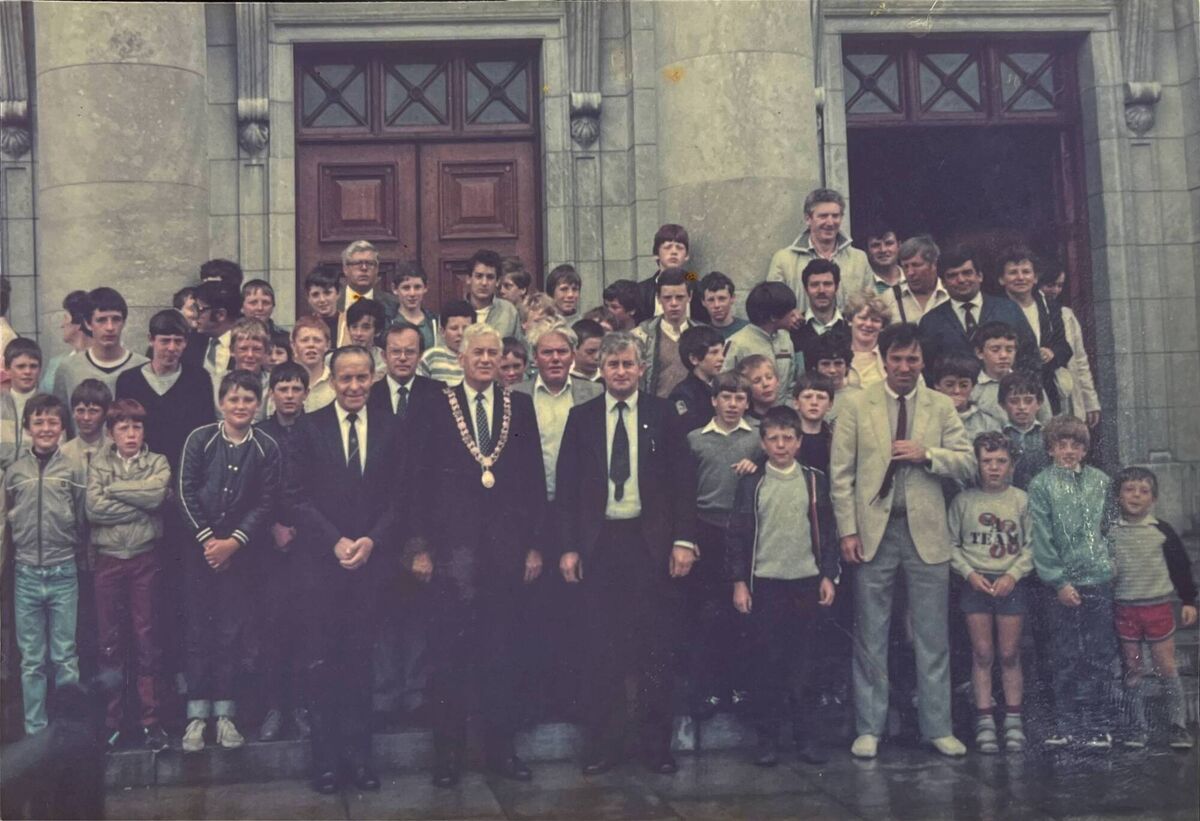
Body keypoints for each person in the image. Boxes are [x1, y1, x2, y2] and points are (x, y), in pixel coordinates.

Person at [405, 324, 547, 787]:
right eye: (478, 352)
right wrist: (421, 548)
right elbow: (417, 480)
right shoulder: (433, 404)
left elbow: (530, 481)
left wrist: (532, 546)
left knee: (501, 654)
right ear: (461, 357)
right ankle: (446, 757)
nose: (487, 360)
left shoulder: (518, 405)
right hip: (451, 554)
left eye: (494, 353)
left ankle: (500, 752)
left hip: (504, 554)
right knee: (448, 657)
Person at [830, 322, 975, 760]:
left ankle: (938, 727)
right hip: (874, 532)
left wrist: (927, 454)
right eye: (897, 359)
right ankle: (869, 728)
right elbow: (841, 476)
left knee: (932, 635)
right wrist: (848, 531)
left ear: (922, 361)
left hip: (926, 533)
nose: (905, 367)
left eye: (913, 359)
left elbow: (968, 462)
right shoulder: (857, 404)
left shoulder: (940, 406)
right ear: (884, 359)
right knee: (870, 632)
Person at [555, 331, 698, 776]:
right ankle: (606, 745)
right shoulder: (581, 418)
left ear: (641, 370)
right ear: (601, 370)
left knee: (655, 646)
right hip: (600, 546)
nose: (620, 372)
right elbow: (568, 489)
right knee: (601, 649)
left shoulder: (662, 414)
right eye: (612, 364)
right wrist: (569, 547)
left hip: (649, 544)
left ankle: (656, 745)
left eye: (628, 364)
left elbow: (682, 483)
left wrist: (683, 540)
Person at [290, 346, 398, 793]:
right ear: (331, 382)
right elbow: (295, 496)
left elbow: (400, 495)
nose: (354, 387)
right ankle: (326, 762)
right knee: (323, 663)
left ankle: (359, 758)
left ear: (373, 379)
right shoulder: (309, 428)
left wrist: (372, 539)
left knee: (360, 662)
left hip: (370, 564)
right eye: (345, 379)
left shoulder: (393, 428)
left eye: (361, 378)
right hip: (323, 565)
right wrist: (334, 540)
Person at [177, 370, 281, 753]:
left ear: (259, 403)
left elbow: (266, 501)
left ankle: (225, 715)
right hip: (199, 552)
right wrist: (209, 541)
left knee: (229, 632)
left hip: (240, 555)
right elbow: (185, 491)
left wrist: (233, 543)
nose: (241, 406)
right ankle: (195, 716)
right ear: (222, 402)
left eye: (248, 400)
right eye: (234, 399)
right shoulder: (200, 439)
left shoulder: (266, 446)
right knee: (198, 631)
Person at [728, 405, 838, 766]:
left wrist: (827, 574)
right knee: (768, 664)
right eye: (773, 438)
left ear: (799, 441)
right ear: (762, 442)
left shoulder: (813, 480)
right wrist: (740, 582)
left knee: (804, 664)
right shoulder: (752, 482)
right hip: (766, 584)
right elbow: (739, 536)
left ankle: (806, 739)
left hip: (805, 582)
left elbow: (829, 531)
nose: (780, 445)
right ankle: (768, 740)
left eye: (787, 438)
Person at [116, 309, 216, 703]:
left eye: (178, 341)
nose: (171, 348)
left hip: (185, 503)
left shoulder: (197, 379)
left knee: (182, 592)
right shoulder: (129, 380)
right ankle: (144, 688)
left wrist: (186, 491)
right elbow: (123, 434)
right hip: (141, 503)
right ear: (151, 341)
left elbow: (205, 438)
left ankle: (180, 678)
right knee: (143, 597)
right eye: (164, 340)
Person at [1027, 415, 1119, 749]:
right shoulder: (1041, 485)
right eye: (1061, 444)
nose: (1068, 451)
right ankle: (1065, 724)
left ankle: (1096, 724)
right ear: (1050, 449)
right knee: (1064, 655)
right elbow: (1042, 537)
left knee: (1098, 654)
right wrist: (1058, 581)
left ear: (1084, 449)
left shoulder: (1101, 481)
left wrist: (1109, 560)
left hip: (1097, 578)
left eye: (1076, 445)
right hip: (1061, 584)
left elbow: (1110, 525)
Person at [85, 398, 171, 751]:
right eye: (123, 427)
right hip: (108, 560)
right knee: (110, 641)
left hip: (144, 559)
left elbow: (156, 498)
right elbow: (93, 507)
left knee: (146, 638)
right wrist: (139, 501)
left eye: (136, 427)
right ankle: (112, 722)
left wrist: (116, 491)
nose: (131, 434)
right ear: (111, 433)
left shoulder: (158, 462)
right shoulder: (98, 463)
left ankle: (151, 722)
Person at [5, 394, 86, 737]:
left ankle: (68, 731)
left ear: (63, 428)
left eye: (53, 422)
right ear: (27, 427)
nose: (46, 428)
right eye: (38, 422)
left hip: (63, 570)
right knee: (32, 661)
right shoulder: (14, 471)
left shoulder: (71, 469)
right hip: (25, 573)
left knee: (65, 657)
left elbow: (82, 516)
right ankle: (36, 731)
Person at [948, 432, 1033, 754]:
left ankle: (1013, 719)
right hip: (976, 583)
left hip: (1010, 582)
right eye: (987, 461)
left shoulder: (1021, 500)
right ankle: (984, 719)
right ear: (977, 464)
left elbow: (1031, 544)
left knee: (1009, 653)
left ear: (1011, 465)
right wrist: (969, 573)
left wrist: (1014, 573)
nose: (994, 468)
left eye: (1001, 462)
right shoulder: (964, 501)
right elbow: (951, 544)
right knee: (982, 653)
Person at [684, 372, 760, 719]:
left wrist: (757, 465)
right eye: (726, 397)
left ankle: (741, 688)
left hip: (745, 531)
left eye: (740, 399)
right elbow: (683, 492)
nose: (733, 405)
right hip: (707, 530)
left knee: (743, 613)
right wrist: (688, 536)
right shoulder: (695, 439)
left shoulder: (758, 439)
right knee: (707, 614)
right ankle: (708, 690)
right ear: (714, 400)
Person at [1109, 466, 1196, 750]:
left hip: (1157, 607)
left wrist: (1188, 600)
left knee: (1166, 666)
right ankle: (1137, 727)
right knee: (1132, 668)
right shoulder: (1110, 531)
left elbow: (1181, 567)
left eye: (1144, 491)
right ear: (1118, 496)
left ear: (1153, 499)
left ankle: (1178, 725)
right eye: (1129, 490)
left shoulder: (1162, 531)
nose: (1136, 495)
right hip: (1125, 608)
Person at [254, 362, 312, 744]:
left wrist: (302, 529)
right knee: (272, 626)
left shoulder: (317, 430)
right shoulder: (260, 433)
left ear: (306, 392)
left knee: (307, 628)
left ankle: (304, 706)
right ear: (271, 393)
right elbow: (255, 487)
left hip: (310, 542)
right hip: (268, 543)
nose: (289, 395)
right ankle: (276, 706)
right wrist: (273, 526)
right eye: (282, 388)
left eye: (295, 388)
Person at [513, 320, 604, 503]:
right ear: (535, 357)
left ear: (573, 355)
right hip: (530, 500)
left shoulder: (595, 393)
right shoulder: (515, 395)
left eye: (562, 352)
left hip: (578, 501)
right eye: (547, 352)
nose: (555, 358)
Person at [919, 246, 1039, 378]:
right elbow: (928, 371)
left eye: (967, 273)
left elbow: (1030, 357)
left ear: (980, 276)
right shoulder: (931, 321)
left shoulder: (1009, 310)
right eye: (952, 275)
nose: (961, 280)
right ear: (943, 283)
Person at [767, 188, 871, 313]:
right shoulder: (783, 259)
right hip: (799, 332)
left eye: (835, 216)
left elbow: (871, 304)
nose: (830, 222)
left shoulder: (859, 258)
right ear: (808, 219)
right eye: (823, 216)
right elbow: (773, 307)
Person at [997, 248, 1071, 414]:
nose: (1020, 277)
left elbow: (1064, 347)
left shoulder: (1050, 308)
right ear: (1002, 279)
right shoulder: (994, 309)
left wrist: (1052, 353)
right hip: (1010, 391)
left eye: (1026, 272)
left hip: (1045, 389)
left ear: (1035, 277)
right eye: (1013, 273)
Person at [53, 288, 149, 408]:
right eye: (101, 320)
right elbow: (61, 419)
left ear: (124, 322)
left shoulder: (144, 367)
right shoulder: (68, 368)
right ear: (88, 324)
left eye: (116, 319)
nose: (109, 327)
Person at [1037, 264, 1100, 428]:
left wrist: (1090, 401)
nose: (1055, 290)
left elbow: (1080, 360)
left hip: (1066, 392)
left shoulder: (1066, 315)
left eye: (1060, 285)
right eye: (1050, 285)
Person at [723, 281, 800, 399]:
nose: (796, 316)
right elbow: (723, 386)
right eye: (790, 313)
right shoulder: (737, 344)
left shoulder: (786, 338)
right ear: (773, 317)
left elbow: (791, 383)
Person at [633, 267, 701, 399]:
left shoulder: (703, 335)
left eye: (679, 297)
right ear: (658, 298)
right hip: (656, 410)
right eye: (667, 298)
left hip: (695, 410)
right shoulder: (640, 336)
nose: (674, 303)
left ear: (690, 296)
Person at [971, 321, 1051, 429]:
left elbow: (1047, 423)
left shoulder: (1030, 383)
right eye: (995, 350)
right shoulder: (974, 389)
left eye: (1009, 350)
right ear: (979, 353)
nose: (1003, 355)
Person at [636, 224, 709, 323]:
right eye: (667, 247)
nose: (674, 252)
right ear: (656, 254)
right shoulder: (641, 291)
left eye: (679, 248)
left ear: (687, 255)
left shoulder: (699, 288)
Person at [368, 323, 441, 422]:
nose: (403, 358)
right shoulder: (369, 395)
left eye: (410, 352)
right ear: (384, 356)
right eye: (396, 351)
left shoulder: (437, 392)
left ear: (420, 356)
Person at [667, 325, 727, 433]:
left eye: (722, 352)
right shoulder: (682, 394)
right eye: (714, 352)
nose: (721, 358)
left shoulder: (723, 387)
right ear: (694, 359)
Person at [790, 259, 849, 368]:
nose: (821, 290)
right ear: (806, 289)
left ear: (836, 287)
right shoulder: (794, 330)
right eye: (814, 285)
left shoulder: (850, 328)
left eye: (827, 284)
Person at [880, 235, 951, 325]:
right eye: (905, 266)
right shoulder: (889, 298)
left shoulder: (950, 294)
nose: (910, 273)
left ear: (933, 264)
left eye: (916, 265)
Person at [999, 371, 1052, 490]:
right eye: (1014, 401)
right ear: (1002, 405)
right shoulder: (1000, 437)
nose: (1022, 407)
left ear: (1039, 403)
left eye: (1028, 401)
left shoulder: (1048, 435)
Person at [932, 355, 1003, 443]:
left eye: (964, 385)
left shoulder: (987, 424)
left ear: (973, 386)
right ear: (937, 385)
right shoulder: (926, 418)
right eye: (949, 385)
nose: (957, 391)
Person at [181, 280, 240, 376]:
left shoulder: (247, 344)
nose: (194, 315)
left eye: (199, 309)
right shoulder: (189, 342)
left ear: (220, 315)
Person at [337, 240, 399, 330]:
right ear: (345, 269)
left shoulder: (393, 304)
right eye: (358, 263)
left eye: (370, 263)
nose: (364, 268)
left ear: (377, 269)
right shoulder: (332, 303)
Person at [39, 291, 90, 394]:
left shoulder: (99, 362)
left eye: (65, 318)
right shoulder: (55, 363)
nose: (62, 324)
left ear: (79, 322)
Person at [223, 318, 272, 420]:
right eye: (243, 349)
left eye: (257, 349)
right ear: (232, 350)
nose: (250, 355)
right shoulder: (216, 383)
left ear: (266, 351)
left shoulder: (273, 384)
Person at [465, 249, 520, 338]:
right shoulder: (455, 312)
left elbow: (519, 348)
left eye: (490, 277)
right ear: (469, 279)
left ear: (498, 281)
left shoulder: (508, 312)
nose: (484, 283)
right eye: (479, 276)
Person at [844, 289, 892, 389]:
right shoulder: (837, 355)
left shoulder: (890, 356)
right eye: (862, 318)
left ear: (883, 326)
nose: (868, 324)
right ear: (850, 320)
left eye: (875, 320)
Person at [418, 299, 473, 386]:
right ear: (442, 331)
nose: (460, 333)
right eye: (454, 328)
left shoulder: (479, 358)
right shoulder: (430, 357)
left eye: (466, 328)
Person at [59, 380, 113, 468]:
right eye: (80, 411)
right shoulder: (62, 454)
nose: (86, 418)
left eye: (93, 411)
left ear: (105, 414)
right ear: (73, 413)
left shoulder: (116, 451)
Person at [809, 332, 858, 426]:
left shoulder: (859, 398)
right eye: (825, 364)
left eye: (838, 363)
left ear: (847, 366)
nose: (832, 370)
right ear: (815, 367)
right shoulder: (804, 398)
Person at [391, 260, 439, 353]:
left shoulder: (435, 322)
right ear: (395, 289)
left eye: (417, 287)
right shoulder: (388, 322)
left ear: (425, 287)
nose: (412, 293)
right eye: (406, 288)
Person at [793, 373, 835, 473]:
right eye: (807, 397)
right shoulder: (788, 438)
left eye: (821, 397)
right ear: (796, 403)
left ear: (830, 404)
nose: (814, 402)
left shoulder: (835, 439)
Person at [291, 316, 334, 412]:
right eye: (304, 340)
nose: (311, 345)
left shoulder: (337, 382)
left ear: (327, 345)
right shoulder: (282, 382)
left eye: (317, 340)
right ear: (293, 346)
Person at [5, 339, 42, 439]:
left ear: (40, 369)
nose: (28, 371)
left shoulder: (50, 407)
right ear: (7, 369)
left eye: (33, 366)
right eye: (21, 367)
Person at [343, 298, 388, 380]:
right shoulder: (335, 359)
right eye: (354, 327)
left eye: (366, 327)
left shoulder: (386, 362)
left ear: (378, 331)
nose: (358, 333)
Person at [698, 272, 747, 340]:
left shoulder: (747, 330)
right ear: (703, 302)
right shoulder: (700, 336)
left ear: (732, 298)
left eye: (722, 298)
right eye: (711, 300)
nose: (716, 305)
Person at [737, 354, 781, 421]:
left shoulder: (792, 419)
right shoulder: (743, 423)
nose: (765, 384)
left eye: (769, 377)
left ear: (778, 381)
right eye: (757, 381)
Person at [862, 223, 904, 293]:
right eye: (876, 245)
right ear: (866, 250)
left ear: (899, 245)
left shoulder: (912, 279)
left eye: (889, 243)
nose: (883, 250)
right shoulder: (862, 284)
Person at [303, 268, 341, 346]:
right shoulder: (303, 328)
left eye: (327, 293)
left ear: (338, 293)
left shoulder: (349, 325)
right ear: (308, 298)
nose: (322, 300)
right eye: (315, 295)